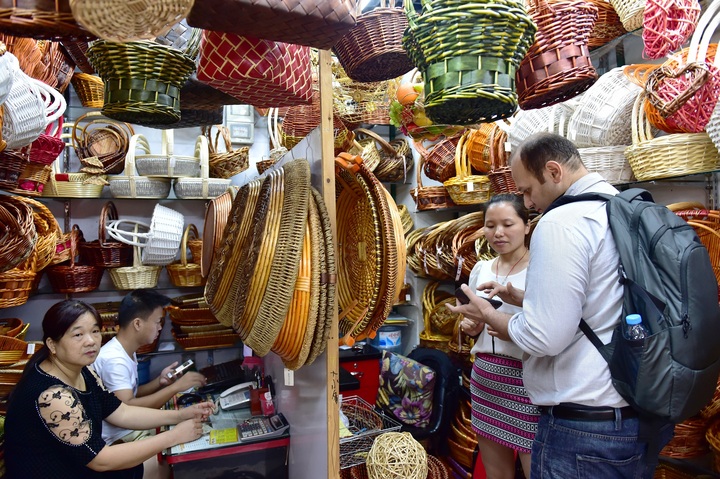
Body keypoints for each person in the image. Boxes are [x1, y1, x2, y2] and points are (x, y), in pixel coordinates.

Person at [448, 132, 673, 479]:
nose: (530, 201)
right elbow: (599, 300)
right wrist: (522, 298)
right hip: (633, 411)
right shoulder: (620, 205)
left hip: (584, 425)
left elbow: (543, 338)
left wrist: (488, 313)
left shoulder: (563, 221)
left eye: (526, 190)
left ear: (554, 172)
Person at [4, 300, 215, 479]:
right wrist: (173, 437)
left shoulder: (83, 371)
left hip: (79, 466)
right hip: (70, 471)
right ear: (52, 344)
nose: (91, 341)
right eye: (78, 335)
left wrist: (181, 416)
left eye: (95, 331)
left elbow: (120, 412)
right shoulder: (52, 395)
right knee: (166, 465)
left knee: (166, 463)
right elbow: (101, 460)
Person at [463, 193, 538, 479]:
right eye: (490, 225)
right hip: (485, 378)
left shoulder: (539, 270)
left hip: (527, 380)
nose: (498, 233)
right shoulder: (481, 268)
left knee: (536, 470)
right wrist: (470, 326)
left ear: (526, 226)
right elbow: (473, 321)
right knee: (497, 474)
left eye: (508, 224)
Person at [93, 289, 207, 446]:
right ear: (138, 324)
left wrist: (160, 382)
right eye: (157, 322)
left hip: (129, 430)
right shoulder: (114, 360)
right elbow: (127, 408)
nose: (160, 328)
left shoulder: (124, 351)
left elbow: (129, 394)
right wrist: (175, 388)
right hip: (118, 439)